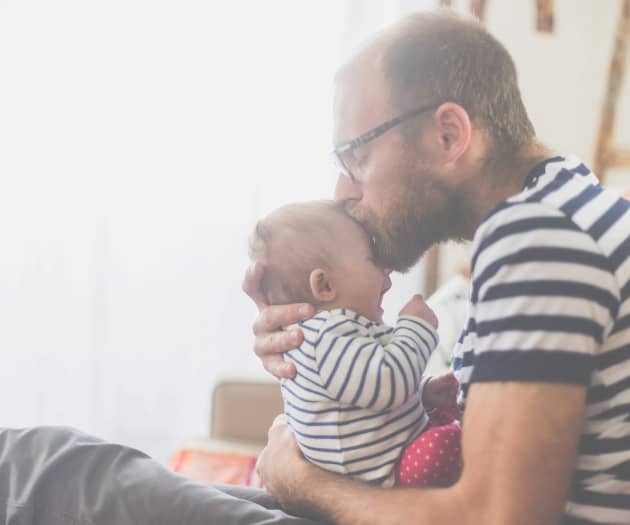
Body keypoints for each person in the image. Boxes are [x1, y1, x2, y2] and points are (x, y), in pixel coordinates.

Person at [243, 9, 630, 525]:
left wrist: (303, 484)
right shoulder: (564, 206)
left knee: (106, 475)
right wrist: (312, 346)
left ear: (447, 134)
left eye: (357, 156)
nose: (343, 192)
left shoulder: (538, 235)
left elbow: (497, 517)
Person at [249, 200, 461, 487]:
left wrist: (424, 391)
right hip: (384, 476)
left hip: (388, 460)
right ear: (324, 285)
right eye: (373, 260)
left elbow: (365, 399)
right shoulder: (327, 337)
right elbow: (389, 383)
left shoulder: (338, 332)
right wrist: (417, 327)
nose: (387, 274)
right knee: (447, 443)